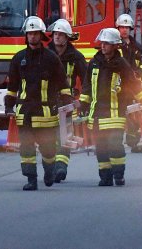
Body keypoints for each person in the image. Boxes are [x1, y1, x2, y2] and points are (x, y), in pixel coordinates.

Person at [5, 16, 72, 191]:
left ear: (41, 36)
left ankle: (49, 171)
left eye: (35, 33)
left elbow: (63, 84)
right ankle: (31, 179)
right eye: (30, 34)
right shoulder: (19, 58)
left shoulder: (51, 58)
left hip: (45, 113)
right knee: (26, 148)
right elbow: (12, 86)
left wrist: (67, 105)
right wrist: (8, 106)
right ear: (26, 36)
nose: (32, 37)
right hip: (25, 113)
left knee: (48, 150)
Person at [79, 28, 142, 187]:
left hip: (116, 112)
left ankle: (118, 174)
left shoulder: (122, 64)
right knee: (101, 147)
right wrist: (83, 104)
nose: (103, 46)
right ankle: (105, 176)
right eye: (102, 43)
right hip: (98, 113)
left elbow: (134, 84)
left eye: (107, 44)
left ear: (115, 46)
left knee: (114, 144)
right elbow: (87, 86)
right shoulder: (94, 63)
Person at [46, 19, 87, 183]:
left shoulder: (76, 57)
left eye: (61, 35)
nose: (57, 37)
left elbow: (87, 79)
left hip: (66, 102)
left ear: (67, 38)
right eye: (55, 34)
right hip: (46, 102)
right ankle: (51, 166)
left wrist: (84, 100)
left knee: (65, 135)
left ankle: (61, 167)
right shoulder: (45, 54)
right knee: (49, 136)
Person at [116, 13, 142, 154]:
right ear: (118, 28)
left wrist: (139, 73)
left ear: (131, 29)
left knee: (137, 115)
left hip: (134, 87)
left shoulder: (137, 47)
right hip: (119, 88)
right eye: (122, 27)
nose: (124, 30)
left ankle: (135, 143)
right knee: (119, 115)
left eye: (127, 27)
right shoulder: (115, 45)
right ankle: (114, 144)